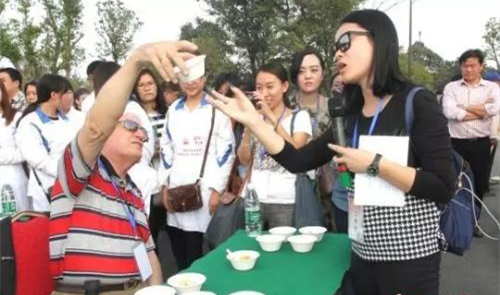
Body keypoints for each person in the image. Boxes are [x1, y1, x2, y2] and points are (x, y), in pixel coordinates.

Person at [209, 9, 455, 295]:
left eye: (345, 43)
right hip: (362, 253)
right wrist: (255, 122)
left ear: (379, 39)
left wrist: (375, 165)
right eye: (336, 47)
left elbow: (442, 186)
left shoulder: (416, 102)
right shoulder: (348, 114)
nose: (338, 54)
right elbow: (298, 160)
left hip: (409, 261)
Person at [49, 40, 197, 294]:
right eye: (131, 126)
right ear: (107, 132)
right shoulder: (80, 172)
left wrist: (157, 290)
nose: (141, 135)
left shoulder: (133, 190)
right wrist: (137, 59)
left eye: (142, 129)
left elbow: (149, 254)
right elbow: (95, 127)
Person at [159, 62, 235, 271]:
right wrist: (164, 185)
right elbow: (166, 148)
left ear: (203, 79)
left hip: (204, 187)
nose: (191, 83)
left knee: (200, 247)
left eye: (195, 78)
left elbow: (226, 152)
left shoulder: (216, 109)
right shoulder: (173, 110)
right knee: (177, 244)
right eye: (186, 79)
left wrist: (217, 189)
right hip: (176, 186)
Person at [238, 62, 311, 229]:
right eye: (259, 88)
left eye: (270, 87)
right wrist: (249, 126)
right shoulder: (255, 118)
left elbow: (297, 152)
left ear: (284, 86)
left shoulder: (299, 117)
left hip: (284, 200)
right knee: (251, 249)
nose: (264, 93)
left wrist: (271, 117)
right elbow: (244, 160)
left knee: (282, 251)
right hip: (253, 198)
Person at [442, 49, 500, 236]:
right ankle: (452, 221)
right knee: (452, 182)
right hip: (455, 143)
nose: (468, 69)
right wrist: (482, 111)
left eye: (472, 65)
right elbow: (449, 113)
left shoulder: (492, 88)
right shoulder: (451, 88)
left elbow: (496, 108)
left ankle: (474, 221)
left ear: (481, 66)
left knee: (479, 183)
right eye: (465, 65)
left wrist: (464, 107)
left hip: (480, 144)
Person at [15, 74, 79, 212]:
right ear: (54, 95)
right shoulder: (30, 123)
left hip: (71, 188)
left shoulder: (67, 122)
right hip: (46, 192)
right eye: (65, 93)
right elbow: (39, 160)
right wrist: (70, 173)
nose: (69, 97)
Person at [290, 48, 335, 230]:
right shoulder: (285, 106)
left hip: (328, 182)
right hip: (292, 182)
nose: (308, 76)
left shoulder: (333, 107)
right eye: (301, 71)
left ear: (323, 74)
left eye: (314, 70)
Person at [0, 81, 29, 211]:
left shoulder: (16, 117)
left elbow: (25, 150)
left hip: (13, 179)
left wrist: (3, 156)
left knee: (15, 223)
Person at [483, 70, 500, 187]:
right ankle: (484, 184)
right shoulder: (490, 96)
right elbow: (493, 118)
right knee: (485, 161)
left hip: (490, 134)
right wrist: (493, 136)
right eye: (497, 81)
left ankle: (484, 182)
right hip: (488, 134)